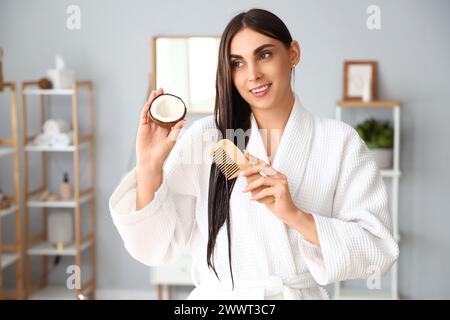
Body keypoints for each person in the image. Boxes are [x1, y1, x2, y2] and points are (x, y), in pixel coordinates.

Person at [109, 8, 399, 300]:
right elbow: (153, 246)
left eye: (264, 55)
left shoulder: (339, 142)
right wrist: (149, 166)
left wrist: (295, 216)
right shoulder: (206, 138)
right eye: (237, 63)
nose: (253, 75)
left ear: (293, 53)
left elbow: (378, 251)